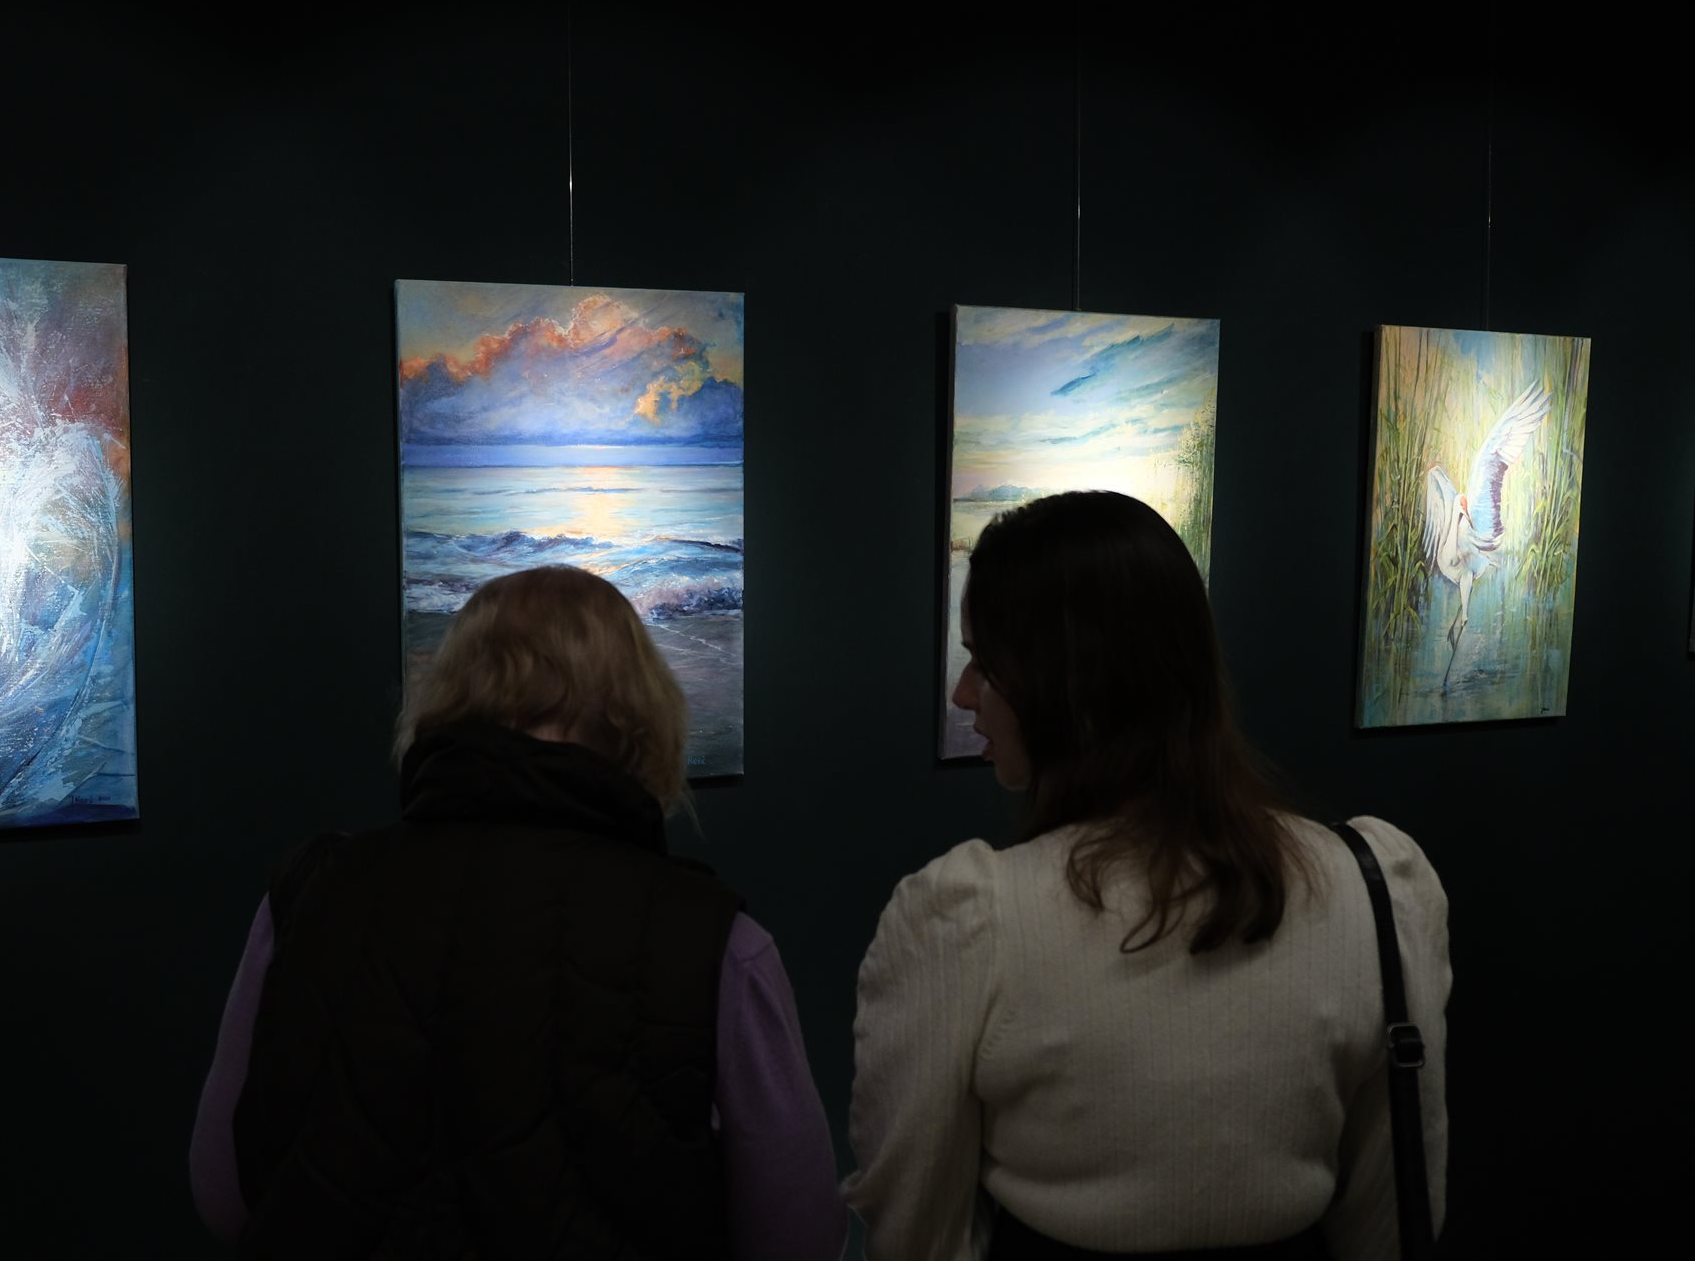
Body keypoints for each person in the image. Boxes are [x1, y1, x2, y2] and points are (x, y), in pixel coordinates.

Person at [843, 491, 1450, 1261]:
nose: (964, 694)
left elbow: (916, 1230)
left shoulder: (971, 920)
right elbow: (1393, 1212)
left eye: (985, 664)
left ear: (1069, 684)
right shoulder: (1370, 887)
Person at [190, 565, 846, 1260]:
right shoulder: (717, 943)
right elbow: (800, 1238)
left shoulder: (309, 893)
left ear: (449, 695)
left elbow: (225, 1196)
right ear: (640, 713)